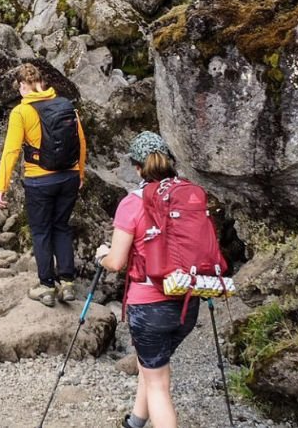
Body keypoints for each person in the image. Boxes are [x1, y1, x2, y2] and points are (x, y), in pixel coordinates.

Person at [96, 132, 200, 428]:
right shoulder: (189, 195)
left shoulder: (133, 203)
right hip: (186, 304)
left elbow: (116, 262)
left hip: (150, 306)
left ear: (137, 167)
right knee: (152, 365)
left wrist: (100, 255)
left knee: (158, 386)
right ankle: (136, 421)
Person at [0, 62, 87, 307]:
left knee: (41, 231)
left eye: (20, 87)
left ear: (24, 86)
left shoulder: (21, 112)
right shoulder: (66, 105)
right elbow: (81, 142)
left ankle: (47, 285)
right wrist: (80, 174)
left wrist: (0, 186)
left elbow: (11, 151)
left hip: (39, 180)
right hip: (68, 176)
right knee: (61, 226)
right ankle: (67, 282)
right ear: (43, 83)